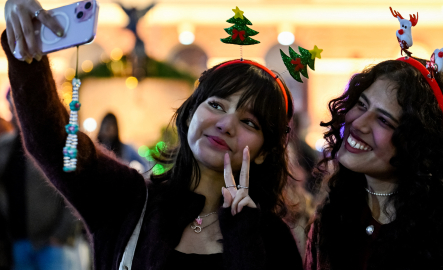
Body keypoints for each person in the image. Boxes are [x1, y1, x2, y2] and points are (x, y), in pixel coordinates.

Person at [2, 0, 303, 269]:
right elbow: (52, 143)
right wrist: (26, 52)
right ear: (189, 115)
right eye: (216, 104)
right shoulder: (130, 200)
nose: (226, 124)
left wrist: (243, 237)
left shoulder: (272, 238)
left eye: (250, 122)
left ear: (265, 151)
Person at [305, 58, 443, 269]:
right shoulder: (332, 218)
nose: (358, 123)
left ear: (419, 144)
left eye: (384, 120)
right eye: (361, 104)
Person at [0, 90, 87, 270]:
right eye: (11, 106)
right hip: (18, 241)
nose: (14, 112)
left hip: (51, 244)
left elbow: (75, 187)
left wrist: (61, 234)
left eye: (16, 105)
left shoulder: (53, 142)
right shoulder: (5, 146)